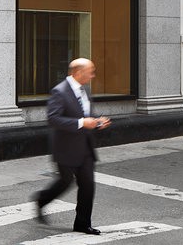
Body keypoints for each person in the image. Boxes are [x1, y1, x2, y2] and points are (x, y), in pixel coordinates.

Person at [34, 57, 111, 236]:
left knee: (88, 186)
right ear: (77, 73)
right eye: (90, 71)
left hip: (85, 147)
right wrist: (82, 123)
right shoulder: (59, 92)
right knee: (65, 181)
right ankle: (41, 200)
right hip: (66, 147)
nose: (92, 75)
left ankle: (82, 224)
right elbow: (53, 119)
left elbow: (86, 115)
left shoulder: (85, 90)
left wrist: (98, 122)